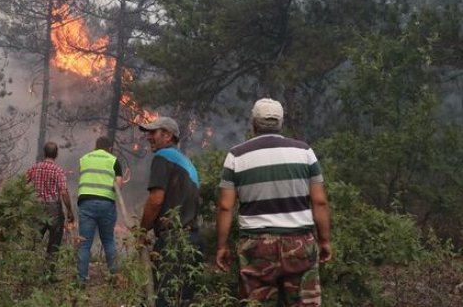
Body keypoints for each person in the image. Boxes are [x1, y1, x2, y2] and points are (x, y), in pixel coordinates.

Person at [215, 98, 333, 306]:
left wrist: (221, 246)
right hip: (300, 242)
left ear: (254, 124)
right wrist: (324, 240)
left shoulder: (236, 156)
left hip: (256, 245)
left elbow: (226, 206)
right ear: (281, 123)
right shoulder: (304, 152)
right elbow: (320, 202)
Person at [138, 116, 202, 307]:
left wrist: (141, 232)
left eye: (153, 133)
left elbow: (156, 200)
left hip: (172, 242)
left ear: (167, 136)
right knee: (184, 300)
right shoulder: (186, 163)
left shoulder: (162, 157)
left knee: (163, 300)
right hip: (193, 241)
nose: (148, 137)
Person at [76, 136, 123, 283]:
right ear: (110, 148)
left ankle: (81, 279)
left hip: (86, 203)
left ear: (95, 146)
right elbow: (119, 185)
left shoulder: (84, 159)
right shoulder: (113, 160)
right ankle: (113, 277)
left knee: (84, 243)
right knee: (108, 240)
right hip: (106, 204)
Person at [26, 141, 75, 272]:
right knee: (54, 244)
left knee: (33, 241)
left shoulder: (34, 168)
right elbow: (64, 191)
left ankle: (28, 270)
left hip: (37, 208)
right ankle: (48, 273)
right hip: (54, 210)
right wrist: (70, 211)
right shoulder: (58, 171)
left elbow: (22, 184)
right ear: (56, 154)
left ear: (44, 153)